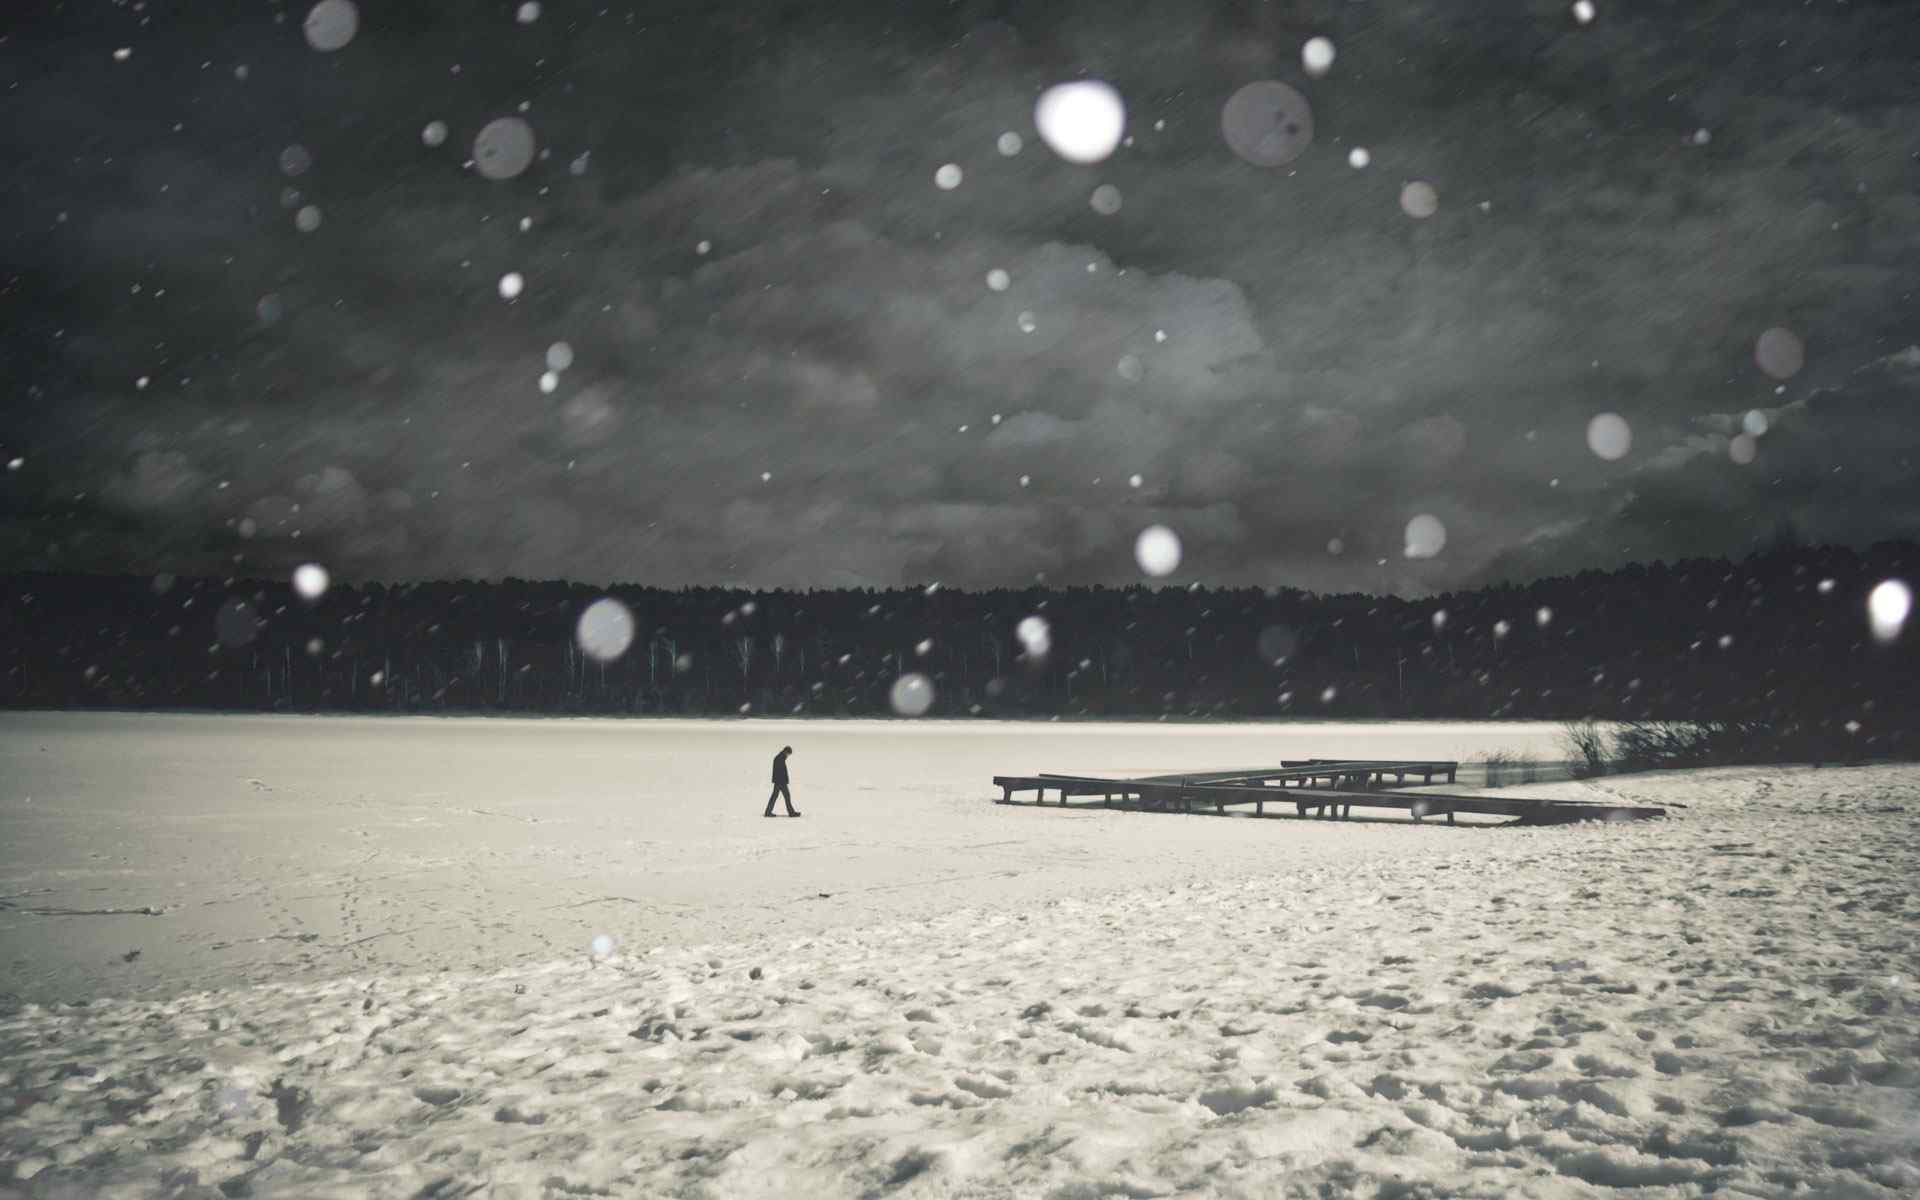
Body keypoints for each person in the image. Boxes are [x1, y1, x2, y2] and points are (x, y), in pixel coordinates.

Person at [764, 745, 800, 818]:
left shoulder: (780, 758)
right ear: (786, 752)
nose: (788, 755)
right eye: (788, 754)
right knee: (786, 796)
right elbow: (780, 772)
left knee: (775, 796)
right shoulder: (780, 758)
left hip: (779, 781)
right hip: (781, 782)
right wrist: (784, 781)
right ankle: (791, 813)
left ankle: (768, 812)